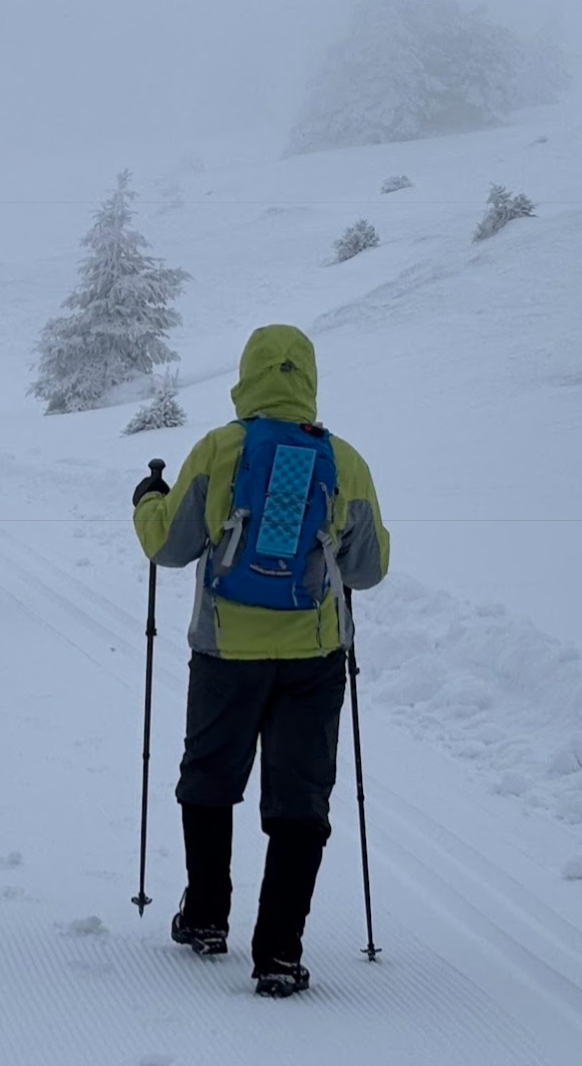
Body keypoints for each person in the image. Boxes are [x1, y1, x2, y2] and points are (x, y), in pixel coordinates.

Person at [131, 323, 389, 998]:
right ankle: (277, 951)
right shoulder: (344, 459)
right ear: (307, 380)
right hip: (313, 655)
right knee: (299, 797)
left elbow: (169, 545)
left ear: (246, 377)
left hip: (225, 650)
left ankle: (207, 916)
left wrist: (147, 500)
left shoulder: (219, 448)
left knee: (210, 776)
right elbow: (367, 566)